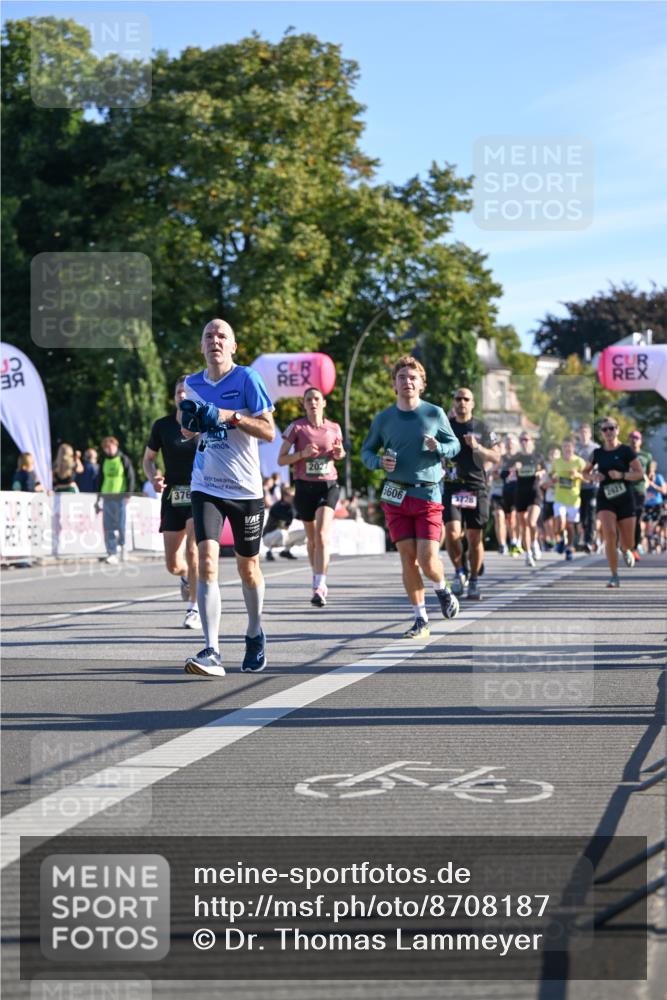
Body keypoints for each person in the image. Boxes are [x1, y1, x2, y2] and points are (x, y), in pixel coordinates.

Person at [179, 318, 275, 676]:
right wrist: (192, 423)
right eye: (209, 335)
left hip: (245, 488)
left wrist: (230, 416)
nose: (215, 340)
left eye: (222, 336)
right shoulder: (192, 384)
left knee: (248, 568)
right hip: (206, 485)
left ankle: (254, 632)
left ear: (233, 346)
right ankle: (212, 650)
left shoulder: (247, 378)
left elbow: (268, 431)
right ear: (202, 345)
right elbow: (185, 431)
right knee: (206, 561)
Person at [361, 355, 460, 638]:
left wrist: (440, 447)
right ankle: (420, 619)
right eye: (402, 377)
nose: (407, 382)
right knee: (407, 559)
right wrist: (379, 462)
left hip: (427, 492)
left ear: (422, 384)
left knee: (427, 560)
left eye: (413, 377)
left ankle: (442, 589)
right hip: (395, 494)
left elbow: (454, 445)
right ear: (394, 384)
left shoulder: (434, 413)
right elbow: (366, 451)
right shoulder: (384, 419)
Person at [277, 386, 345, 607]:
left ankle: (320, 585)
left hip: (328, 486)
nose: (313, 402)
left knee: (322, 535)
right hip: (304, 488)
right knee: (313, 540)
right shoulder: (297, 427)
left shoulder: (334, 427)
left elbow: (340, 452)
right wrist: (302, 454)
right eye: (308, 400)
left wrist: (339, 454)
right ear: (304, 404)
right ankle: (316, 575)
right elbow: (281, 459)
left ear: (324, 403)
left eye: (316, 399)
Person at [143, 376, 200, 630]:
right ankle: (186, 576)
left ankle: (194, 608)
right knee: (173, 564)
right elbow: (148, 459)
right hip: (173, 495)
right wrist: (153, 477)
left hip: (199, 492)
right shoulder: (162, 426)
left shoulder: (202, 424)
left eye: (187, 392)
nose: (183, 396)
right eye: (179, 392)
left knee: (193, 551)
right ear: (174, 397)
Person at [442, 387, 500, 601]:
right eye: (458, 398)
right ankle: (459, 572)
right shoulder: (445, 426)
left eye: (466, 399)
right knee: (452, 533)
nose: (462, 402)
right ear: (453, 402)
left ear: (472, 403)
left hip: (476, 487)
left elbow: (496, 457)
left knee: (474, 537)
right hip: (452, 486)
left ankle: (474, 579)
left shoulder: (483, 427)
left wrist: (478, 447)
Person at [582, 417, 644, 588]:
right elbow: (584, 473)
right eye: (605, 429)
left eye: (611, 428)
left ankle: (626, 549)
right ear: (601, 433)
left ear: (617, 430)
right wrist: (593, 476)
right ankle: (614, 575)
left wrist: (622, 475)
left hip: (625, 499)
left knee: (629, 542)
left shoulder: (626, 451)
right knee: (609, 533)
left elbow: (639, 473)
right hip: (605, 498)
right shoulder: (597, 453)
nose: (608, 432)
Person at [96, 436, 136, 565]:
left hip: (120, 497)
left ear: (115, 446)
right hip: (107, 497)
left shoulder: (123, 459)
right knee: (108, 526)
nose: (108, 449)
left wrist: (129, 494)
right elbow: (100, 479)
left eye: (110, 446)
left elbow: (130, 476)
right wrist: (98, 496)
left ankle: (123, 546)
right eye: (105, 447)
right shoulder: (103, 461)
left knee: (120, 525)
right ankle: (112, 553)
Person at [550, 437, 586, 561]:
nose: (567, 449)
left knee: (570, 526)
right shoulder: (557, 462)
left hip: (574, 499)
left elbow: (587, 478)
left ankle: (569, 547)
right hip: (559, 498)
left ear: (573, 448)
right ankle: (560, 540)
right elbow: (551, 475)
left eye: (569, 447)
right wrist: (553, 478)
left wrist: (577, 475)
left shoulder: (579, 461)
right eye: (564, 447)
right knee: (560, 523)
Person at [263, 485, 306, 561]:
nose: (293, 498)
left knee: (306, 533)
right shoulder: (277, 507)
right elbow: (286, 517)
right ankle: (269, 552)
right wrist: (295, 507)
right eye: (292, 496)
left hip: (283, 535)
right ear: (285, 496)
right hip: (269, 536)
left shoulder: (291, 507)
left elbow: (301, 517)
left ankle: (286, 551)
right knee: (281, 532)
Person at [627, 429, 652, 559]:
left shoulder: (646, 456)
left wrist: (650, 478)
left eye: (636, 438)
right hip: (625, 489)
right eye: (632, 437)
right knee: (625, 518)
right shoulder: (624, 454)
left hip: (639, 490)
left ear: (640, 441)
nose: (634, 440)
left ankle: (634, 547)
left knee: (636, 519)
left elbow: (649, 473)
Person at [575, 423, 598, 552]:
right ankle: (580, 538)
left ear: (590, 434)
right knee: (581, 515)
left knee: (591, 513)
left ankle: (589, 541)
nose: (583, 435)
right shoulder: (575, 449)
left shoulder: (595, 449)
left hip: (592, 486)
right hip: (577, 487)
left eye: (586, 432)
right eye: (581, 433)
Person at [643, 460, 666, 553]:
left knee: (656, 524)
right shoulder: (643, 477)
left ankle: (658, 541)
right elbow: (641, 488)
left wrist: (652, 484)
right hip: (646, 505)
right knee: (647, 524)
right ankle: (649, 542)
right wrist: (646, 482)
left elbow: (664, 490)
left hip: (657, 504)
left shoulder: (659, 477)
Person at [541, 445, 561, 551]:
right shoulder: (546, 467)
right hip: (548, 497)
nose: (553, 456)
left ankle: (558, 541)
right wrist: (551, 483)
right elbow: (542, 485)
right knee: (547, 522)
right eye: (551, 454)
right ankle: (552, 540)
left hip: (561, 498)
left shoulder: (563, 466)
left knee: (558, 522)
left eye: (556, 454)